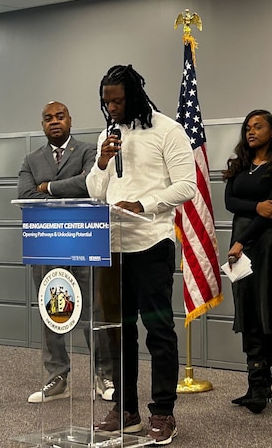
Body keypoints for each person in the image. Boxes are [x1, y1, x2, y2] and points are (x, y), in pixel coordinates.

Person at [88, 65, 196, 445]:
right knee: (118, 332)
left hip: (151, 243)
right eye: (106, 102)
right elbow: (95, 192)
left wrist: (144, 204)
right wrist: (101, 162)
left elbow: (187, 185)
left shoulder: (167, 130)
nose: (112, 108)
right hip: (112, 247)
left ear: (134, 95)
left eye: (118, 100)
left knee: (158, 331)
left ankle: (163, 412)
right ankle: (126, 409)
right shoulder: (108, 135)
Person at [17, 101, 115, 403]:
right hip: (46, 245)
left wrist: (47, 187)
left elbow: (90, 185)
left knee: (93, 313)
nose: (54, 122)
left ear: (70, 120)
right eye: (48, 119)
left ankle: (104, 376)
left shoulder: (88, 151)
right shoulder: (31, 159)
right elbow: (24, 195)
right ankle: (57, 379)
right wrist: (61, 187)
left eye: (60, 117)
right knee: (52, 311)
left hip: (85, 242)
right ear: (42, 124)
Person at [223, 109, 272, 414]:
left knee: (268, 308)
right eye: (248, 127)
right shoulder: (240, 167)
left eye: (258, 126)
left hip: (266, 244)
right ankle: (258, 384)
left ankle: (260, 382)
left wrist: (243, 240)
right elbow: (230, 203)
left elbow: (271, 215)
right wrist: (256, 205)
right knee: (247, 309)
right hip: (240, 241)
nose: (251, 132)